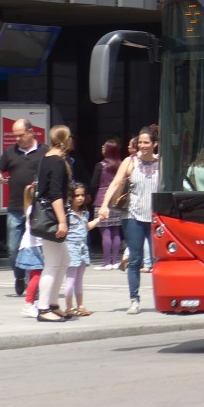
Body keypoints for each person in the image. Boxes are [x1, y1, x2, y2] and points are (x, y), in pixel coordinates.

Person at [98, 127, 160, 314]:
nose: (142, 146)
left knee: (160, 260)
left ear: (154, 144)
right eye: (139, 142)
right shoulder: (130, 161)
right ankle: (134, 299)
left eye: (146, 142)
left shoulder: (162, 163)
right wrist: (104, 205)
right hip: (132, 215)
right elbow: (115, 183)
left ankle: (164, 297)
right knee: (135, 259)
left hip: (156, 216)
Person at [0, 119, 43, 296]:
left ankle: (33, 284)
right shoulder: (10, 152)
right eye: (15, 136)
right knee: (13, 248)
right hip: (15, 207)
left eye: (21, 135)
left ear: (31, 132)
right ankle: (19, 276)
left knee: (35, 248)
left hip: (37, 208)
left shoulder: (44, 151)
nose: (18, 139)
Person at [33, 125, 72, 323]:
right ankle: (43, 308)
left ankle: (53, 305)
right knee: (53, 263)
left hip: (48, 216)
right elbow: (55, 194)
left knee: (63, 260)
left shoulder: (46, 158)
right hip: (52, 218)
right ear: (65, 139)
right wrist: (62, 221)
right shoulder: (56, 161)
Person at [62, 182, 97, 317]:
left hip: (83, 248)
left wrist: (99, 219)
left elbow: (85, 227)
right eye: (77, 195)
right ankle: (69, 307)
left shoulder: (85, 212)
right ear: (71, 196)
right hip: (71, 248)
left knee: (79, 279)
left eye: (82, 195)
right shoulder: (67, 214)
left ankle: (80, 305)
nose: (80, 198)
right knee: (70, 279)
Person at [90, 139, 124, 268]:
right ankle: (115, 261)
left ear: (108, 150)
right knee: (116, 231)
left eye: (104, 147)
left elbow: (94, 184)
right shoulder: (121, 165)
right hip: (117, 200)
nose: (102, 148)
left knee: (105, 231)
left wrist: (91, 195)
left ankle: (106, 262)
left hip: (101, 200)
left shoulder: (100, 165)